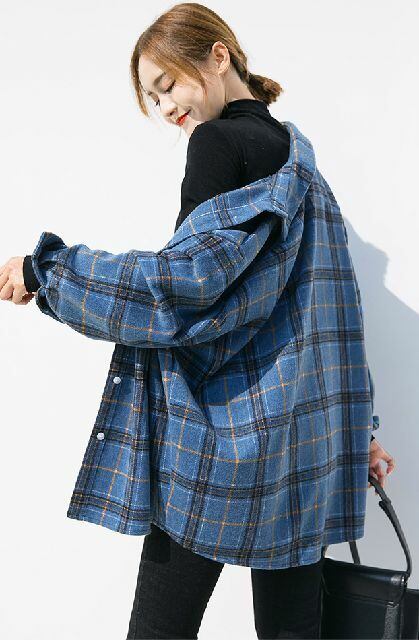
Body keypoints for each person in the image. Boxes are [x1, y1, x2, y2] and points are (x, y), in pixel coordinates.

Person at [0, 3, 396, 639]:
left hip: (213, 442)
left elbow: (183, 286)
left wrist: (49, 272)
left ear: (218, 56)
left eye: (168, 85)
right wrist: (361, 431)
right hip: (307, 449)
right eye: (152, 98)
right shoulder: (304, 169)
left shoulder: (217, 144)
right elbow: (336, 315)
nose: (165, 109)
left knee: (160, 630)